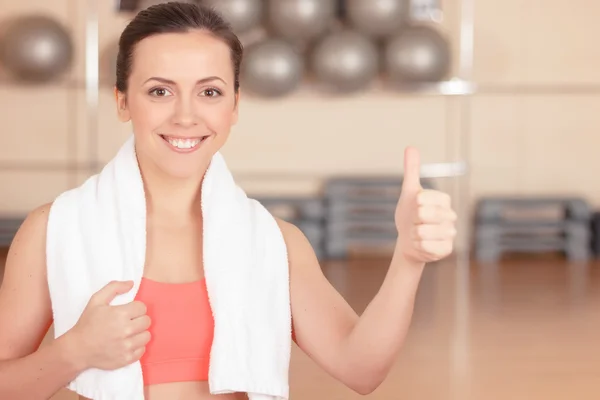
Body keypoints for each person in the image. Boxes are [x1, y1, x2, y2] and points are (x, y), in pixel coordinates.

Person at [0, 2, 457, 399]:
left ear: (234, 105)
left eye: (210, 92)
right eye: (160, 91)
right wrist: (71, 353)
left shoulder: (274, 242)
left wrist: (408, 257)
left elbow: (361, 370)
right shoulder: (54, 229)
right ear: (123, 101)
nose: (185, 115)